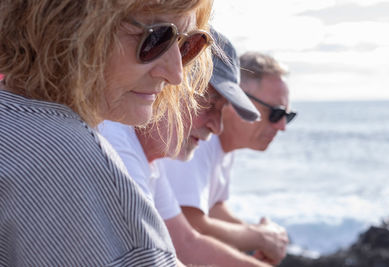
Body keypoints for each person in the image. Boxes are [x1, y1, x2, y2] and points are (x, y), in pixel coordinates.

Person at [0, 0, 213, 266]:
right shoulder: (72, 160)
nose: (176, 74)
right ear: (71, 28)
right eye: (156, 38)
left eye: (187, 45)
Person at [99, 29, 278, 267]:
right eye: (208, 105)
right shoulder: (115, 142)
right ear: (168, 83)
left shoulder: (148, 158)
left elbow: (186, 242)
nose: (217, 127)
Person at [163, 51, 296, 266]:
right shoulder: (198, 140)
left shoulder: (221, 147)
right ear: (235, 99)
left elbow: (213, 208)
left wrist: (259, 237)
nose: (282, 126)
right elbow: (188, 225)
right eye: (276, 113)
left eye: (288, 116)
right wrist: (258, 238)